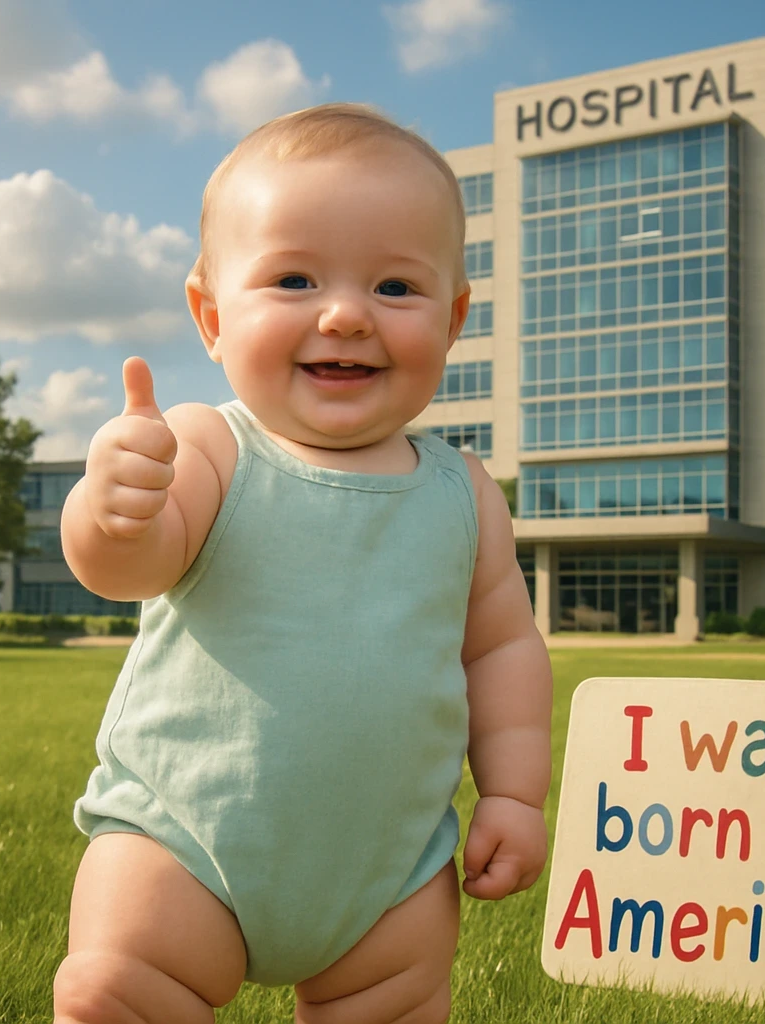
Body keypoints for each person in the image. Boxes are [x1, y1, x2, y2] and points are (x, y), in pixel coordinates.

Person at [53, 102, 553, 1024]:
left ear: (453, 320)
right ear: (210, 314)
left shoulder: (466, 494)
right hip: (185, 840)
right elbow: (131, 565)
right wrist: (113, 514)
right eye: (292, 278)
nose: (346, 315)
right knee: (125, 987)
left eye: (396, 290)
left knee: (400, 1004)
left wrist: (516, 795)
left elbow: (502, 651)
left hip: (387, 870)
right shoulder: (210, 448)